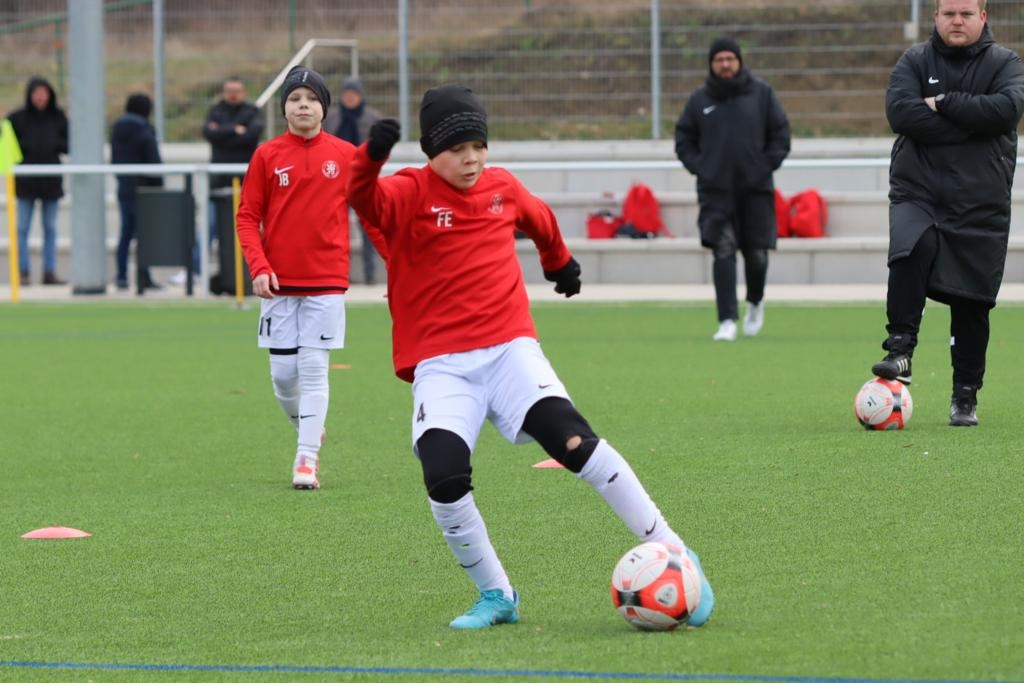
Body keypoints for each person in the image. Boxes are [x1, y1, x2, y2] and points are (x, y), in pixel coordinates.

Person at [347, 85, 714, 630]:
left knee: (573, 441)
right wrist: (371, 156)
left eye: (479, 146)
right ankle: (497, 595)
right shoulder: (406, 192)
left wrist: (559, 264)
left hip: (508, 349)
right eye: (457, 149)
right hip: (442, 364)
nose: (471, 159)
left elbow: (540, 219)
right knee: (443, 476)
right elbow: (362, 198)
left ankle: (678, 555)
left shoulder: (502, 187)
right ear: (430, 152)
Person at [870, 0, 1024, 427]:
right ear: (935, 17)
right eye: (949, 13)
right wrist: (972, 124)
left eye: (966, 14)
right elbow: (901, 112)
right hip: (918, 189)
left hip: (980, 198)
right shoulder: (915, 60)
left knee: (971, 301)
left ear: (983, 17)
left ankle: (965, 394)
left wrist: (942, 102)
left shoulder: (1005, 63)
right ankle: (900, 350)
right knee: (910, 248)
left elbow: (1006, 110)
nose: (957, 20)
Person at [235, 66, 356, 489]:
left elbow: (374, 213)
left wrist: (398, 265)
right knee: (283, 376)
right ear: (284, 108)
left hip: (327, 282)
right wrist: (259, 266)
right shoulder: (267, 156)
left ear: (324, 107)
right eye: (294, 99)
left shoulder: (346, 155)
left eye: (311, 98)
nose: (303, 105)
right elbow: (247, 217)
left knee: (314, 368)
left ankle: (306, 458)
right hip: (278, 285)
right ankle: (308, 427)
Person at [674, 37, 791, 341]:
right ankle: (726, 320)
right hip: (715, 192)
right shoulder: (699, 100)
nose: (725, 64)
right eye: (719, 59)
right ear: (711, 64)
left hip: (755, 190)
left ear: (739, 61)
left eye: (730, 58)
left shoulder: (762, 93)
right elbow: (684, 140)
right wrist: (702, 167)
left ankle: (755, 302)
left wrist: (763, 166)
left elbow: (781, 134)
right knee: (723, 251)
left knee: (757, 255)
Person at [195, 76, 264, 288]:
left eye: (237, 90)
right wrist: (235, 129)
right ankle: (197, 271)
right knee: (209, 226)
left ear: (244, 92)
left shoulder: (252, 111)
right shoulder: (215, 110)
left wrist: (223, 131)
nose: (233, 94)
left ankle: (256, 271)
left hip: (247, 183)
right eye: (229, 90)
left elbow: (251, 136)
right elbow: (209, 133)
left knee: (250, 227)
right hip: (218, 182)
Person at [7, 76, 69, 286]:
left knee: (50, 228)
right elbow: (8, 145)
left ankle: (49, 271)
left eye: (44, 93)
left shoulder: (58, 118)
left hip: (51, 182)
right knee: (22, 228)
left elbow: (69, 144)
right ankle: (22, 272)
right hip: (26, 183)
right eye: (37, 93)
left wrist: (54, 144)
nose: (40, 97)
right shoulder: (17, 119)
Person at [324, 77, 384, 285]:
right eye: (347, 94)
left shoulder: (372, 118)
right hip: (335, 179)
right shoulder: (331, 117)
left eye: (354, 94)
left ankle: (370, 274)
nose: (350, 98)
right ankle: (339, 272)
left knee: (369, 227)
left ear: (361, 96)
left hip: (363, 180)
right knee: (337, 228)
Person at [110, 93, 163, 291]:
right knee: (144, 235)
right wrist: (158, 184)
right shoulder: (145, 129)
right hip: (144, 189)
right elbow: (153, 159)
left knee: (125, 233)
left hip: (125, 187)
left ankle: (122, 276)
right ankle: (144, 278)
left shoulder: (117, 129)